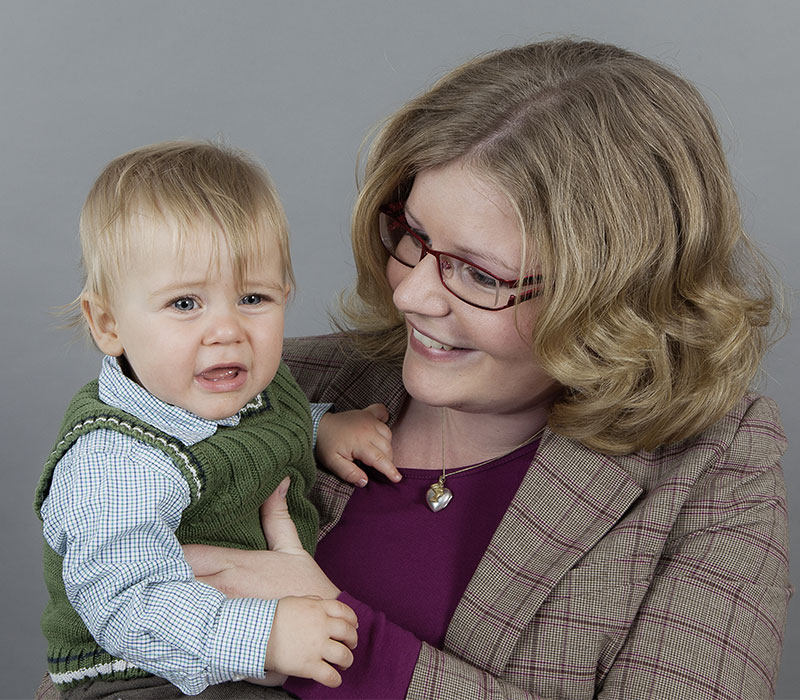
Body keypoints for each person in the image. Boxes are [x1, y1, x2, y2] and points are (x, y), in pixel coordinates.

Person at [36, 38, 792, 700]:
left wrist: (343, 643)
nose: (411, 292)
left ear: (610, 299)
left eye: (479, 274)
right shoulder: (264, 388)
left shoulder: (716, 469)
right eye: (414, 237)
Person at [33, 142, 398, 698]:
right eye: (185, 304)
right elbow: (126, 602)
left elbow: (261, 421)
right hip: (140, 673)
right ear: (108, 324)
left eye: (253, 297)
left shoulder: (247, 384)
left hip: (243, 649)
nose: (227, 330)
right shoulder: (117, 460)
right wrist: (261, 635)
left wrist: (319, 427)